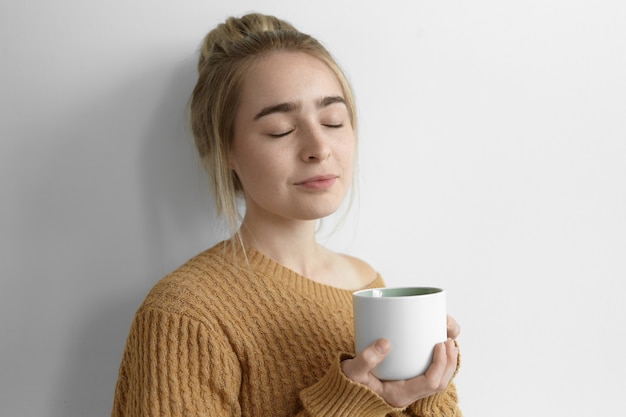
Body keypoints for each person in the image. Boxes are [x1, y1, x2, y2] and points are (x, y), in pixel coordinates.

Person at [111, 12, 461, 417]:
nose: (319, 147)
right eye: (280, 129)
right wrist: (343, 404)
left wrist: (429, 386)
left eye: (333, 121)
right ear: (225, 148)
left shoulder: (367, 284)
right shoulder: (184, 313)